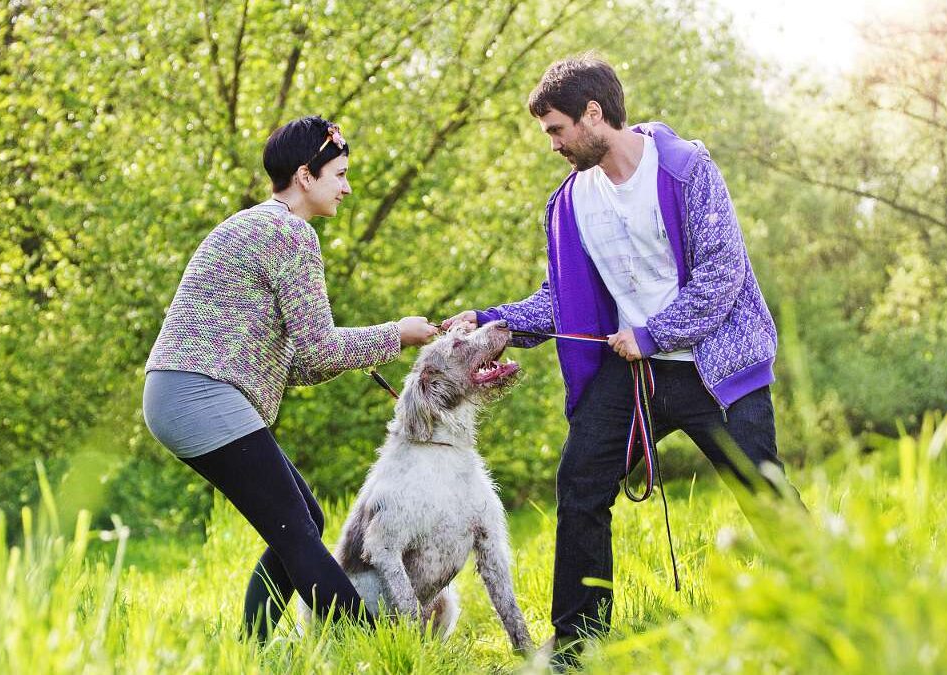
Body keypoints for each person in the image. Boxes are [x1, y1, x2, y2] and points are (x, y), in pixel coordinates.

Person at [443, 56, 800, 663]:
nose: (553, 144)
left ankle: (826, 600)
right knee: (580, 483)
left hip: (715, 366)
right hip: (632, 374)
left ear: (593, 113)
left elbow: (722, 277)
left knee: (761, 489)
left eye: (557, 130)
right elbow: (563, 299)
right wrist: (491, 322)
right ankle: (576, 645)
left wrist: (655, 333)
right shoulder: (570, 203)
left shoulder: (686, 170)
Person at [143, 116, 437, 641]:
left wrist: (375, 347)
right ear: (305, 175)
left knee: (303, 521)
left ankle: (252, 650)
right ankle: (377, 647)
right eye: (339, 175)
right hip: (199, 393)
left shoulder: (255, 224)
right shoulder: (289, 232)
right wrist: (398, 334)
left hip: (184, 392)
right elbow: (321, 349)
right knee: (298, 534)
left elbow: (301, 363)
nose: (347, 188)